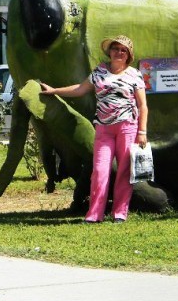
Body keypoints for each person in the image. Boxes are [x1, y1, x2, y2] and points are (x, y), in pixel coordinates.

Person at [39, 35, 148, 223]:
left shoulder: (134, 74)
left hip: (127, 127)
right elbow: (80, 89)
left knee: (124, 170)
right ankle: (94, 214)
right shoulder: (99, 71)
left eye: (123, 50)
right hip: (104, 129)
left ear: (128, 55)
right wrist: (54, 91)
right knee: (99, 170)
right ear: (110, 51)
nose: (119, 52)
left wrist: (142, 131)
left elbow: (143, 105)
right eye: (115, 48)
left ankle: (119, 213)